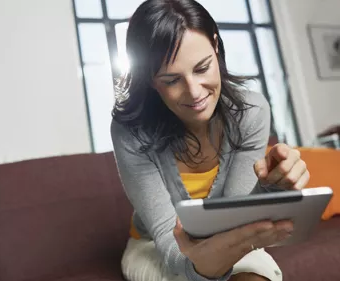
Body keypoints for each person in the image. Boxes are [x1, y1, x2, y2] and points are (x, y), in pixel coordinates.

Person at [110, 0, 310, 280]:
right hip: (154, 245)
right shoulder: (130, 130)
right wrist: (205, 267)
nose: (194, 93)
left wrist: (273, 188)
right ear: (151, 81)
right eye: (171, 80)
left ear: (215, 46)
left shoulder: (250, 113)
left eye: (202, 68)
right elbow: (170, 243)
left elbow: (235, 217)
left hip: (227, 237)